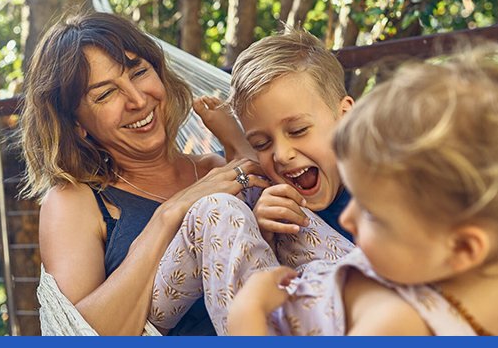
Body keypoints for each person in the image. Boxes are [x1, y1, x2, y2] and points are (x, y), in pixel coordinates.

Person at [226, 41, 498, 336]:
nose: (348, 217)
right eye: (261, 145)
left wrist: (247, 314)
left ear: (463, 248)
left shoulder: (392, 324)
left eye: (371, 213)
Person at [19, 10, 269, 336]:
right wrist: (169, 216)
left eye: (138, 72)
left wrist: (236, 141)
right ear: (76, 124)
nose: (137, 99)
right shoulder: (76, 201)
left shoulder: (220, 169)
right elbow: (77, 335)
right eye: (106, 93)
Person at [150, 27, 357, 332]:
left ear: (346, 117)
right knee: (231, 206)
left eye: (298, 130)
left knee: (235, 209)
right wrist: (261, 234)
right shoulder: (265, 194)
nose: (282, 155)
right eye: (261, 144)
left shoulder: (392, 185)